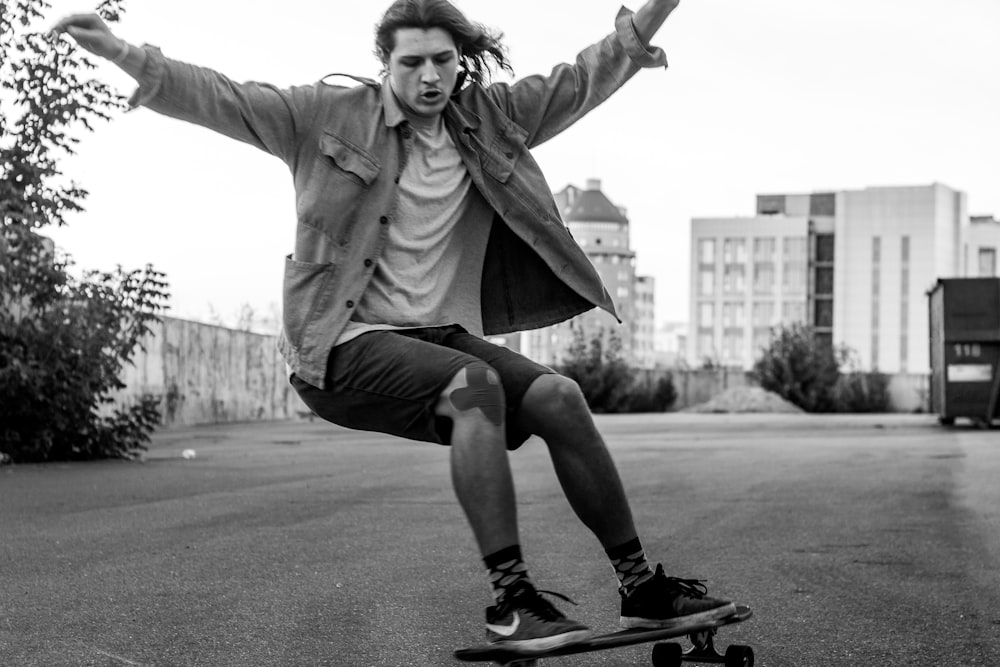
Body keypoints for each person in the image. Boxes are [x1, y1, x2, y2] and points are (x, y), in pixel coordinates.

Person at [54, 0, 735, 653]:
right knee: (476, 388)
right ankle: (512, 603)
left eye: (443, 61)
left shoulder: (489, 118)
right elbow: (226, 98)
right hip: (341, 346)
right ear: (385, 62)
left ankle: (640, 585)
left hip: (438, 337)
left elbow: (580, 79)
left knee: (559, 397)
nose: (430, 77)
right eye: (412, 63)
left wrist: (658, 11)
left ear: (461, 61)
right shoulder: (323, 115)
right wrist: (123, 52)